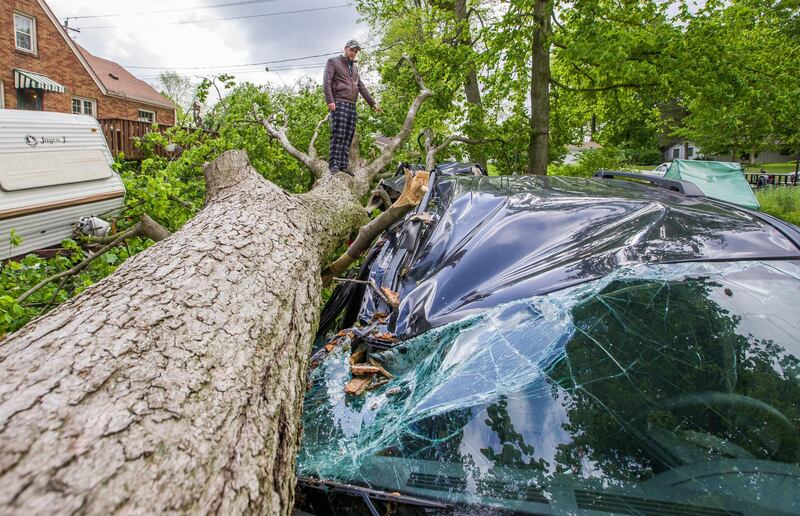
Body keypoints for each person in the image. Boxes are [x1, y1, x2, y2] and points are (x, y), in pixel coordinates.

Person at [323, 39, 381, 174]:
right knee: (339, 134)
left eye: (356, 52)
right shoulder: (333, 62)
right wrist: (330, 100)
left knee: (348, 135)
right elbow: (326, 82)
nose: (353, 53)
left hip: (352, 105)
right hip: (339, 102)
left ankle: (343, 165)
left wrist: (372, 103)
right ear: (345, 48)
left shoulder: (354, 68)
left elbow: (361, 86)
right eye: (352, 50)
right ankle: (334, 164)